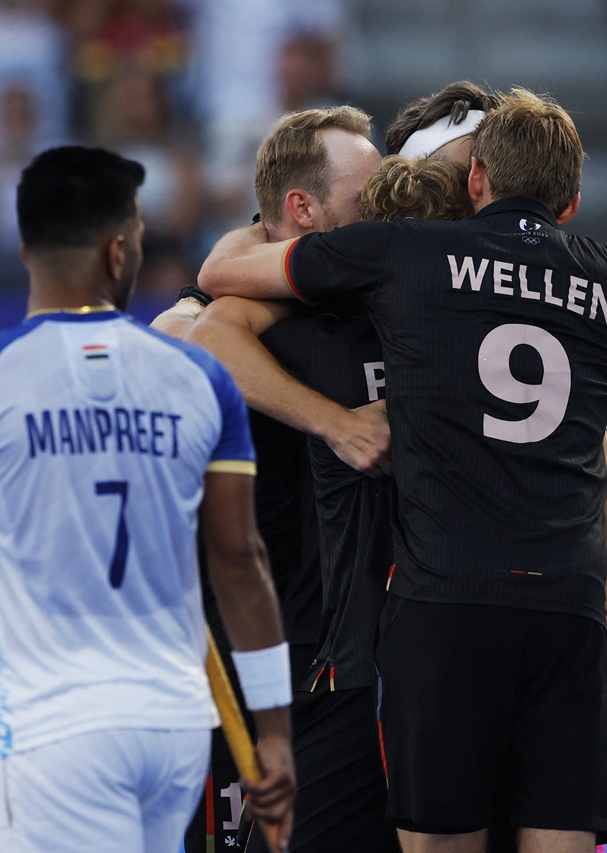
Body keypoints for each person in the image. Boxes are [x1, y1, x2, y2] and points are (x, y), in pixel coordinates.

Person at [196, 87, 607, 853]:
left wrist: (606, 638)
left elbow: (602, 485)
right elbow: (202, 323)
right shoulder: (358, 292)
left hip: (442, 634)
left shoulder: (423, 269)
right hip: (356, 662)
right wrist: (338, 423)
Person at [0, 146, 296, 853]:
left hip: (58, 733)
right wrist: (273, 731)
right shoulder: (198, 377)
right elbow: (240, 560)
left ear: (26, 248)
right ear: (121, 250)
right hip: (177, 731)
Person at [155, 105, 390, 853]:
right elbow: (185, 338)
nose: (381, 219)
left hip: (343, 666)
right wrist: (333, 420)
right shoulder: (218, 315)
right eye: (366, 200)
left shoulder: (368, 297)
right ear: (301, 210)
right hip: (241, 657)